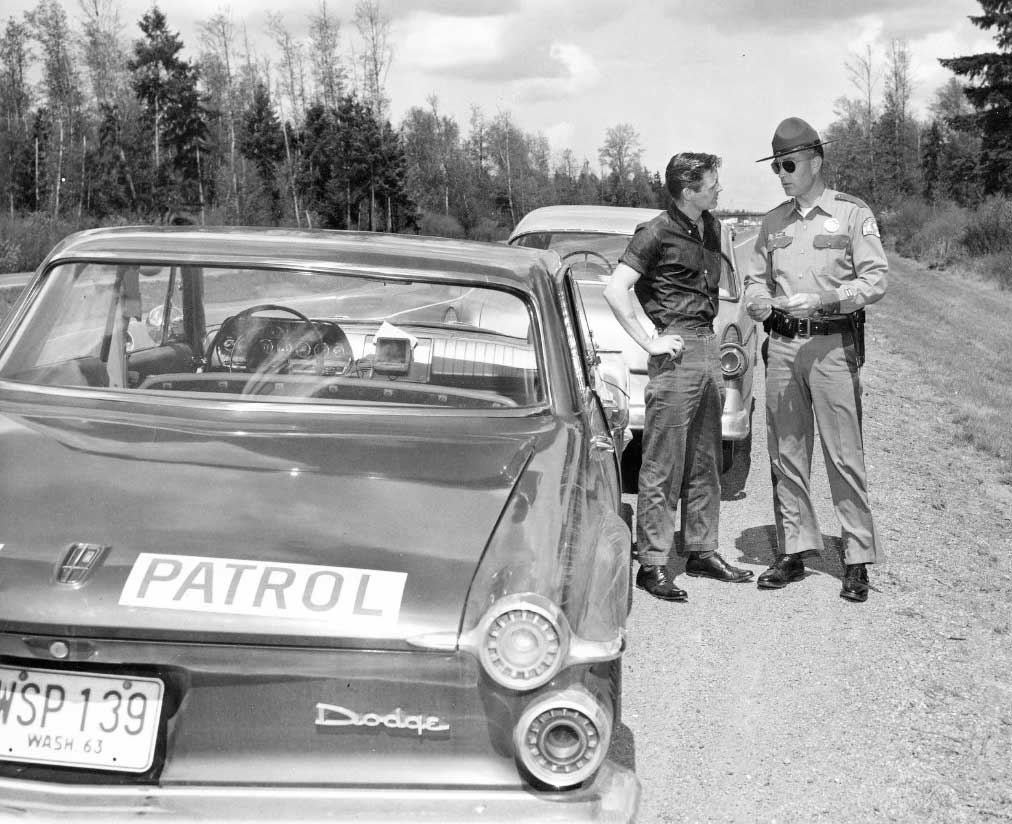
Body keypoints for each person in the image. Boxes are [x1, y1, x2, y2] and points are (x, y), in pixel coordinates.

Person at [745, 117, 887, 602]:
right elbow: (754, 279)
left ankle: (856, 559)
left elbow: (875, 281)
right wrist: (756, 300)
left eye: (788, 165)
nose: (781, 174)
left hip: (831, 346)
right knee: (786, 452)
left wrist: (826, 301)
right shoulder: (773, 222)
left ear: (815, 162)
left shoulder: (850, 215)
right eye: (776, 167)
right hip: (783, 347)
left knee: (844, 454)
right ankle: (795, 549)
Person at [603, 152, 753, 602]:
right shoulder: (654, 232)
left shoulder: (711, 228)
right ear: (688, 190)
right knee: (663, 462)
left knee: (705, 461)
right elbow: (616, 289)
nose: (718, 190)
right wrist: (650, 341)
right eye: (712, 184)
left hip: (707, 347)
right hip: (676, 352)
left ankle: (701, 551)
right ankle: (651, 564)